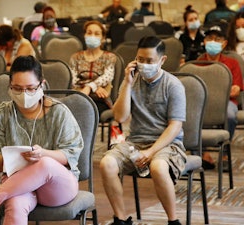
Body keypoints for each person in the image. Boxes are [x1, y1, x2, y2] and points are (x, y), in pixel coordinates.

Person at [0, 55, 83, 225]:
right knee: (15, 204)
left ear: (42, 85)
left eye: (30, 88)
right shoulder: (0, 115)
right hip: (17, 184)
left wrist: (42, 154)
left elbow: (71, 155)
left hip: (57, 187)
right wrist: (14, 157)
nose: (24, 94)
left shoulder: (59, 112)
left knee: (45, 163)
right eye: (17, 88)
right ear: (9, 87)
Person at [100, 36, 187, 225]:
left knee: (158, 167)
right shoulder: (131, 80)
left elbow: (175, 126)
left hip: (168, 144)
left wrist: (151, 151)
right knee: (107, 163)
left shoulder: (173, 85)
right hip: (135, 142)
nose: (144, 64)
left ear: (162, 60)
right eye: (140, 59)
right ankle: (121, 219)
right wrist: (128, 84)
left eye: (150, 61)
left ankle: (173, 221)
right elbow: (120, 117)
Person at [197, 25, 244, 169]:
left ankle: (224, 153)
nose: (213, 41)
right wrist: (222, 90)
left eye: (217, 39)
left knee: (230, 116)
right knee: (191, 115)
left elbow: (235, 91)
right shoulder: (197, 63)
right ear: (204, 42)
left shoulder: (232, 63)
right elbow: (194, 89)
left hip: (226, 103)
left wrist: (214, 92)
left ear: (224, 43)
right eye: (209, 38)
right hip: (203, 102)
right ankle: (202, 153)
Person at [69, 20, 116, 115]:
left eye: (97, 34)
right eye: (89, 33)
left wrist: (90, 87)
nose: (92, 36)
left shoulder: (110, 57)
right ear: (84, 35)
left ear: (103, 38)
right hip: (79, 97)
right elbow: (73, 80)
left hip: (100, 99)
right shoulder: (75, 57)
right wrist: (94, 87)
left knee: (88, 111)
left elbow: (107, 77)